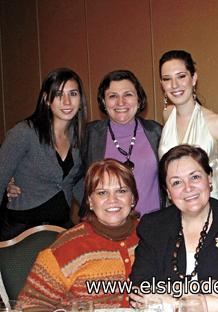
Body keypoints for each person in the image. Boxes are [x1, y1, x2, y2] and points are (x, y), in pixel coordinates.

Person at [129, 145, 218, 312]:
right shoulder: (154, 226)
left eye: (195, 177)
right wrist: (210, 291)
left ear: (209, 178)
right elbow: (140, 291)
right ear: (168, 192)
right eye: (176, 182)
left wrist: (170, 301)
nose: (188, 188)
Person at [18, 159, 140, 310]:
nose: (112, 200)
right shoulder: (69, 246)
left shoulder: (151, 235)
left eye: (121, 191)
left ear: (133, 198)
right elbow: (30, 304)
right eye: (102, 193)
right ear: (90, 201)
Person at [0, 68, 87, 240]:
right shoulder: (24, 132)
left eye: (73, 93)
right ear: (47, 99)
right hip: (21, 232)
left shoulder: (80, 136)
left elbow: (74, 182)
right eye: (59, 94)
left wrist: (99, 208)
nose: (67, 101)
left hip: (60, 228)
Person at [157, 50, 218, 205]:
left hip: (211, 205)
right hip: (177, 206)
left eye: (181, 76)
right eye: (167, 79)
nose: (174, 85)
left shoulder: (217, 123)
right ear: (162, 85)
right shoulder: (167, 115)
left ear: (193, 78)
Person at [82, 69, 165, 216]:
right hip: (107, 227)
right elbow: (76, 180)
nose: (121, 102)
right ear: (103, 101)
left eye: (128, 94)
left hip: (154, 227)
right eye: (113, 96)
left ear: (139, 99)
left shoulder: (156, 132)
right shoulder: (90, 135)